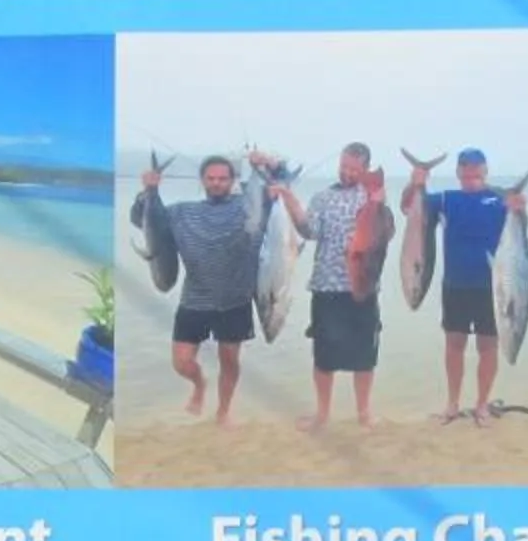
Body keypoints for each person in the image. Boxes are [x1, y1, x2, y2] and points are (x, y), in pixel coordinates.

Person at [261, 141, 379, 430]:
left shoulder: (373, 197)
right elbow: (307, 230)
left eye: (354, 168)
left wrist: (379, 197)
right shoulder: (323, 197)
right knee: (324, 356)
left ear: (365, 169)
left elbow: (383, 231)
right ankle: (322, 414)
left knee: (365, 355)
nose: (347, 172)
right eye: (343, 166)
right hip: (326, 286)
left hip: (363, 286)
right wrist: (288, 199)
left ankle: (364, 413)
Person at [143, 155, 258, 423]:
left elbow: (269, 198)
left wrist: (265, 166)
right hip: (195, 298)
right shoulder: (182, 212)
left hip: (235, 300)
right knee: (181, 362)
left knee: (230, 361)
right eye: (211, 178)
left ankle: (223, 412)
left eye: (223, 179)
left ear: (232, 181)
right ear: (202, 180)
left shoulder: (246, 208)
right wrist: (148, 189)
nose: (217, 183)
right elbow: (144, 219)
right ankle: (199, 384)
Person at [419, 146, 527, 424]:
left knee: (488, 347)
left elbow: (521, 227)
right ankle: (452, 403)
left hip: (494, 287)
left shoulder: (498, 199)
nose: (471, 179)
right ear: (458, 173)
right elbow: (411, 207)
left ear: (485, 172)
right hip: (455, 285)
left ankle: (481, 405)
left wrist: (519, 210)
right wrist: (416, 182)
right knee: (454, 344)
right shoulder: (445, 199)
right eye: (466, 173)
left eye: (476, 174)